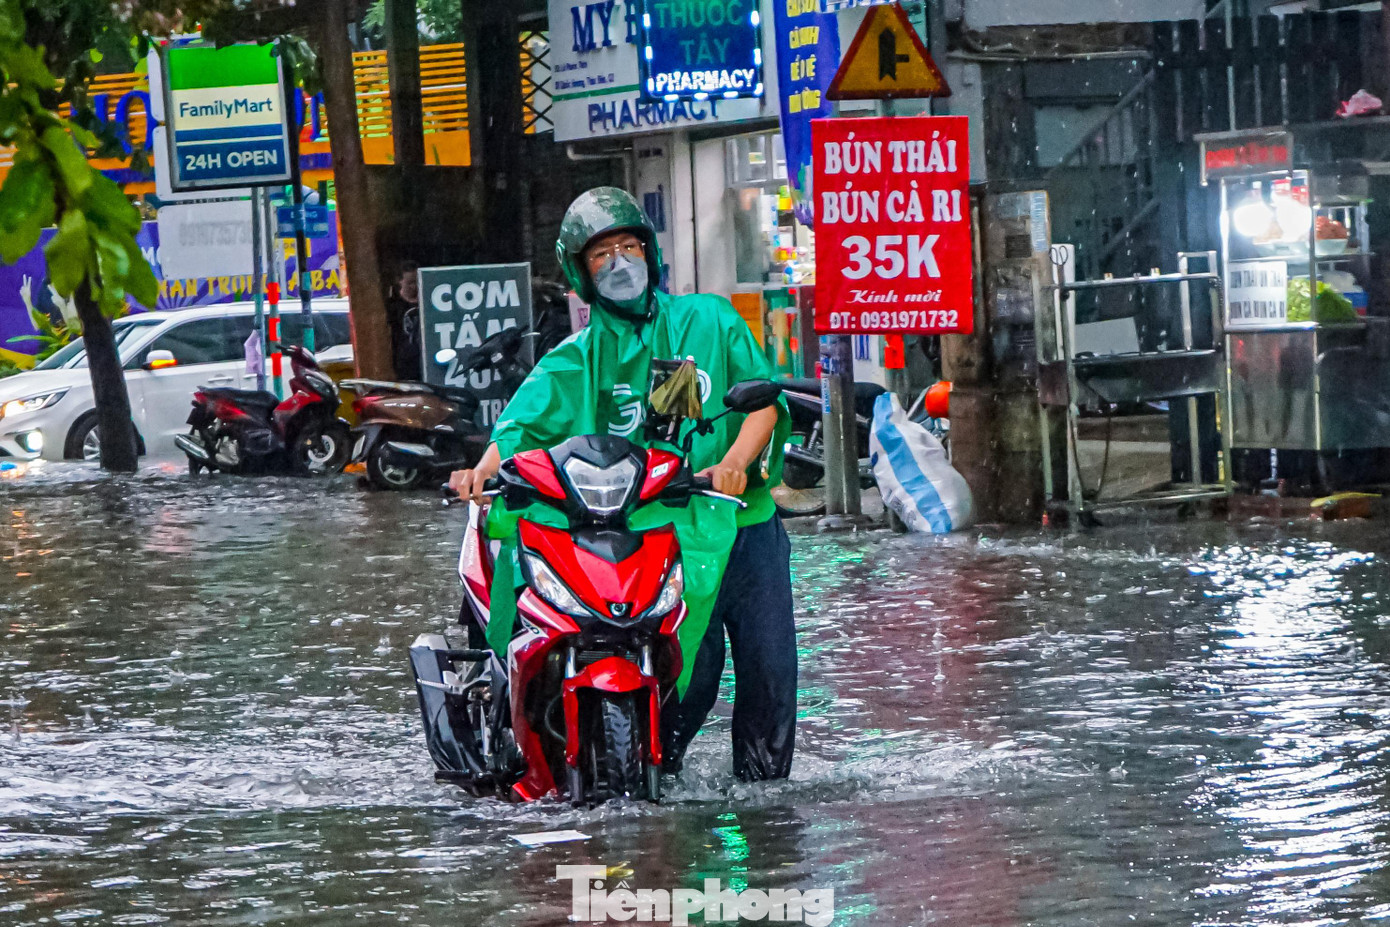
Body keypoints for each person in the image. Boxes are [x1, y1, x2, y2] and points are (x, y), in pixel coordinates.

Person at [448, 187, 797, 782]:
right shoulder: (574, 359)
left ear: (651, 252)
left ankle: (768, 808)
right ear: (579, 272)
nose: (620, 262)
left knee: (770, 672)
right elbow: (520, 427)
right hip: (665, 536)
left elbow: (763, 402)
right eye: (602, 253)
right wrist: (483, 468)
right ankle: (659, 782)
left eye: (629, 246)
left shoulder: (709, 319)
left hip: (742, 525)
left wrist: (736, 462)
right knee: (690, 672)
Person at [386, 261, 422, 381]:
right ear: (400, 281)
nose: (415, 286)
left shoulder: (429, 301)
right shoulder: (393, 306)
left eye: (417, 281)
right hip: (405, 363)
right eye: (410, 282)